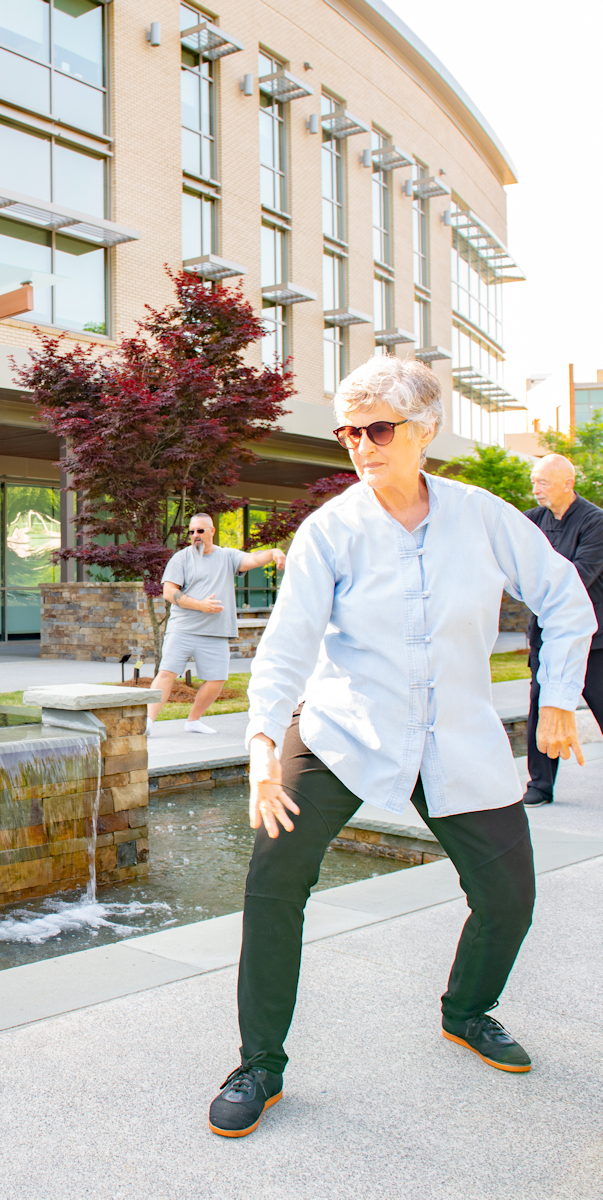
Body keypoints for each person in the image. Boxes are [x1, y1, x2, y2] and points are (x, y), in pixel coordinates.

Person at [207, 357, 594, 1139]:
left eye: (377, 428)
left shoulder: (483, 517)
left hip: (456, 736)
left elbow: (564, 598)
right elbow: (286, 647)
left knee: (509, 900)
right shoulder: (330, 530)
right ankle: (259, 1063)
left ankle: (467, 1009)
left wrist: (557, 698)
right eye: (350, 430)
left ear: (424, 431)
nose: (360, 444)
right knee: (274, 879)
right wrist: (258, 744)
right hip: (342, 730)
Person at [146, 514, 285, 736]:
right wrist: (200, 605)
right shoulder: (181, 559)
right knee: (166, 673)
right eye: (191, 532)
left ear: (212, 531)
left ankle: (193, 721)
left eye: (200, 531)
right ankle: (148, 722)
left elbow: (253, 559)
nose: (195, 536)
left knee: (217, 679)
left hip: (216, 632)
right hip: (183, 628)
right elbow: (169, 592)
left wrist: (273, 553)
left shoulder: (227, 556)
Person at [521, 453, 603, 806]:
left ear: (568, 484)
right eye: (534, 481)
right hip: (545, 635)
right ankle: (540, 785)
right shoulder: (529, 522)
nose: (535, 489)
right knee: (541, 709)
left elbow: (579, 577)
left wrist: (535, 581)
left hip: (595, 639)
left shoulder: (595, 521)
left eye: (544, 482)